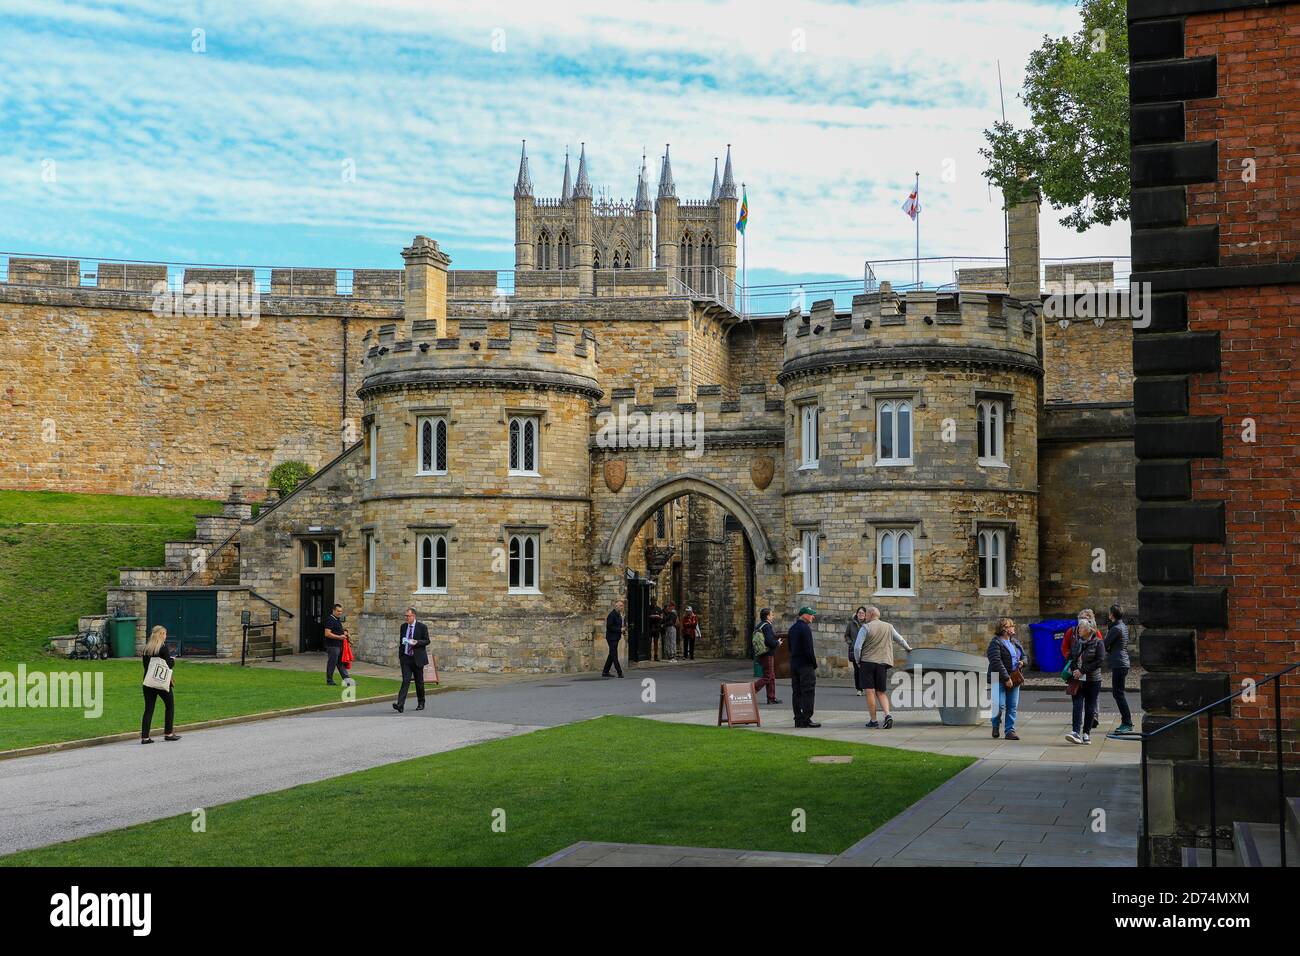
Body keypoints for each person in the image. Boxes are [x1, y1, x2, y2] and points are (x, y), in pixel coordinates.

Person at [856, 606, 912, 729]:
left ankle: (874, 720)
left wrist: (857, 660)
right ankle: (888, 715)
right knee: (881, 691)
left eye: (866, 614)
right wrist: (908, 648)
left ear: (870, 615)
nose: (865, 617)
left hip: (867, 662)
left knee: (869, 691)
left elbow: (857, 647)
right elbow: (900, 639)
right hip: (882, 663)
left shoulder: (866, 627)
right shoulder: (889, 626)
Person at [1066, 615, 1105, 744]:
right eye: (1079, 627)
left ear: (1089, 629)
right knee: (1077, 705)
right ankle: (1075, 732)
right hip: (1077, 679)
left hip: (1093, 680)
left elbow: (1099, 661)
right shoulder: (1077, 642)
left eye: (1081, 627)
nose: (1078, 630)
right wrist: (1075, 670)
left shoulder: (1098, 643)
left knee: (1090, 707)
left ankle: (1086, 733)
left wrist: (1082, 671)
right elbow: (1071, 657)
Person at [986, 618, 1026, 740]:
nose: (1013, 627)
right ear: (1004, 629)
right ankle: (995, 724)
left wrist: (1022, 662)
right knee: (998, 705)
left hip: (1015, 677)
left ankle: (1010, 731)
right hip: (998, 677)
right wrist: (1006, 678)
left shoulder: (1015, 642)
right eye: (1011, 625)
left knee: (1012, 706)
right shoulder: (995, 643)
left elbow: (1024, 656)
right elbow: (996, 661)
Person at [141, 624, 180, 744]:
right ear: (161, 634)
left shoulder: (146, 649)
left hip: (148, 682)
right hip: (162, 682)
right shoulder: (163, 648)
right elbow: (168, 665)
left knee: (148, 709)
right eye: (165, 634)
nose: (166, 636)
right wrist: (173, 660)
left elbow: (145, 666)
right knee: (169, 706)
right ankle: (168, 733)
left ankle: (145, 737)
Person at [394, 607, 430, 713]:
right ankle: (400, 704)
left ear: (413, 616)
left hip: (417, 658)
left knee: (419, 682)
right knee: (405, 680)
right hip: (406, 658)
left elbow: (427, 641)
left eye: (408, 616)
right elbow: (402, 641)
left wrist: (417, 642)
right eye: (405, 616)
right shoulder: (403, 627)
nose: (406, 618)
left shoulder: (422, 627)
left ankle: (421, 702)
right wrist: (401, 655)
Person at [788, 606, 820, 728]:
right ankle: (806, 718)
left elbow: (790, 648)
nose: (813, 617)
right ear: (804, 615)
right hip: (805, 665)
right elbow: (809, 649)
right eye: (811, 614)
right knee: (808, 691)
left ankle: (798, 718)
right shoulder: (805, 629)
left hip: (795, 664)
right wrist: (814, 663)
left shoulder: (792, 629)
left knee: (796, 692)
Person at [1105, 604, 1133, 734]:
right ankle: (1126, 721)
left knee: (1118, 694)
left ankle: (1127, 722)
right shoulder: (1121, 626)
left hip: (1119, 663)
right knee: (1118, 693)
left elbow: (1105, 644)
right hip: (1121, 661)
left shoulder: (1116, 628)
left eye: (1109, 613)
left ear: (1112, 615)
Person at [752, 607, 782, 705]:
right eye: (771, 615)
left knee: (771, 676)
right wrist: (777, 642)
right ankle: (751, 691)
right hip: (767, 654)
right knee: (768, 676)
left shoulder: (760, 625)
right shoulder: (767, 626)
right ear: (767, 616)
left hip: (762, 654)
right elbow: (769, 641)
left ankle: (771, 698)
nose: (773, 616)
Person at [324, 602, 354, 686]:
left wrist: (344, 633)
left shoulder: (336, 620)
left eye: (341, 611)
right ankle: (329, 681)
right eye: (338, 611)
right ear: (333, 610)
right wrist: (339, 637)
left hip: (339, 645)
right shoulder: (330, 619)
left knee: (340, 663)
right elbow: (327, 633)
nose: (339, 613)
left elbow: (337, 631)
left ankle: (347, 680)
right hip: (332, 646)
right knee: (332, 663)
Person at [843, 606, 868, 696]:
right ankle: (859, 689)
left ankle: (866, 687)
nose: (861, 614)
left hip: (865, 651)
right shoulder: (851, 624)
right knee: (857, 670)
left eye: (862, 613)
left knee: (865, 670)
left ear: (865, 615)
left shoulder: (868, 624)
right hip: (854, 650)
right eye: (859, 613)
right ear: (856, 614)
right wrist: (851, 643)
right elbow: (846, 636)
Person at [603, 599, 625, 678]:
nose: (622, 607)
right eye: (621, 606)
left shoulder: (619, 615)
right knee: (614, 655)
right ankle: (619, 672)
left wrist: (622, 630)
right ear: (616, 606)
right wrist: (619, 629)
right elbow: (609, 627)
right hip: (611, 638)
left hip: (616, 638)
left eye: (622, 606)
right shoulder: (611, 615)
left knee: (611, 655)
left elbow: (618, 626)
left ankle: (605, 672)